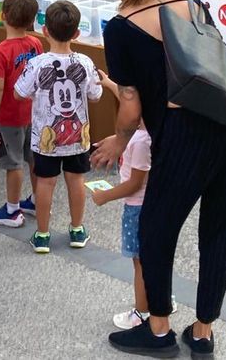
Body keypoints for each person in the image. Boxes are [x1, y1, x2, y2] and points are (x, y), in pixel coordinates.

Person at [92, 0, 226, 358]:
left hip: (185, 136)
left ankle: (159, 329)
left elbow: (130, 103)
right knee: (219, 231)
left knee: (156, 229)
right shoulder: (193, 3)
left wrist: (119, 140)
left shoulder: (121, 27)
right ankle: (202, 333)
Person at [14, 0, 104, 253]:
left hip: (46, 139)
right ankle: (76, 229)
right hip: (79, 138)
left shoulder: (37, 63)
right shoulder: (85, 62)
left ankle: (42, 234)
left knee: (45, 183)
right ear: (77, 33)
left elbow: (19, 92)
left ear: (44, 31)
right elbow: (95, 95)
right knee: (76, 181)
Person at [0, 0, 43, 228]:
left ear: (3, 16)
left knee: (13, 162)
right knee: (33, 158)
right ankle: (38, 200)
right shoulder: (36, 43)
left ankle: (12, 209)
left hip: (10, 115)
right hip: (32, 112)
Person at [92, 125, 155, 330]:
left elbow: (135, 183)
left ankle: (141, 313)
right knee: (154, 259)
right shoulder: (149, 133)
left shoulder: (141, 143)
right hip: (151, 205)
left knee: (140, 262)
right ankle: (160, 301)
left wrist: (105, 196)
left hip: (137, 208)